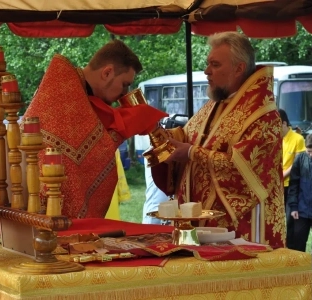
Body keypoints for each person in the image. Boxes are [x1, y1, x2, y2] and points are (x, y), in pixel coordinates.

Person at [151, 31, 285, 247]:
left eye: (215, 65)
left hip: (242, 229)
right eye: (207, 64)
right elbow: (189, 137)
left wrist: (190, 152)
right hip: (198, 226)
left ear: (238, 68)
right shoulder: (215, 105)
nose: (206, 71)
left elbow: (246, 171)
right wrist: (162, 136)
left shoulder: (262, 115)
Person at [23, 39, 167, 218]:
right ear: (107, 72)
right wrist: (121, 131)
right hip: (33, 204)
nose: (124, 93)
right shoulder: (67, 92)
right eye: (124, 84)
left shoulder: (80, 92)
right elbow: (77, 160)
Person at [287, 133, 312, 274]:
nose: (311, 154)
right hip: (301, 210)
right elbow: (293, 185)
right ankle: (298, 267)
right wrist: (293, 206)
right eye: (308, 151)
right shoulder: (300, 159)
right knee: (298, 240)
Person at [279, 108, 305, 248]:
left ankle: (292, 249)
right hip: (277, 186)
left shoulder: (298, 139)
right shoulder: (276, 139)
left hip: (291, 186)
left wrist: (282, 175)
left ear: (284, 123)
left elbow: (297, 163)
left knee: (290, 220)